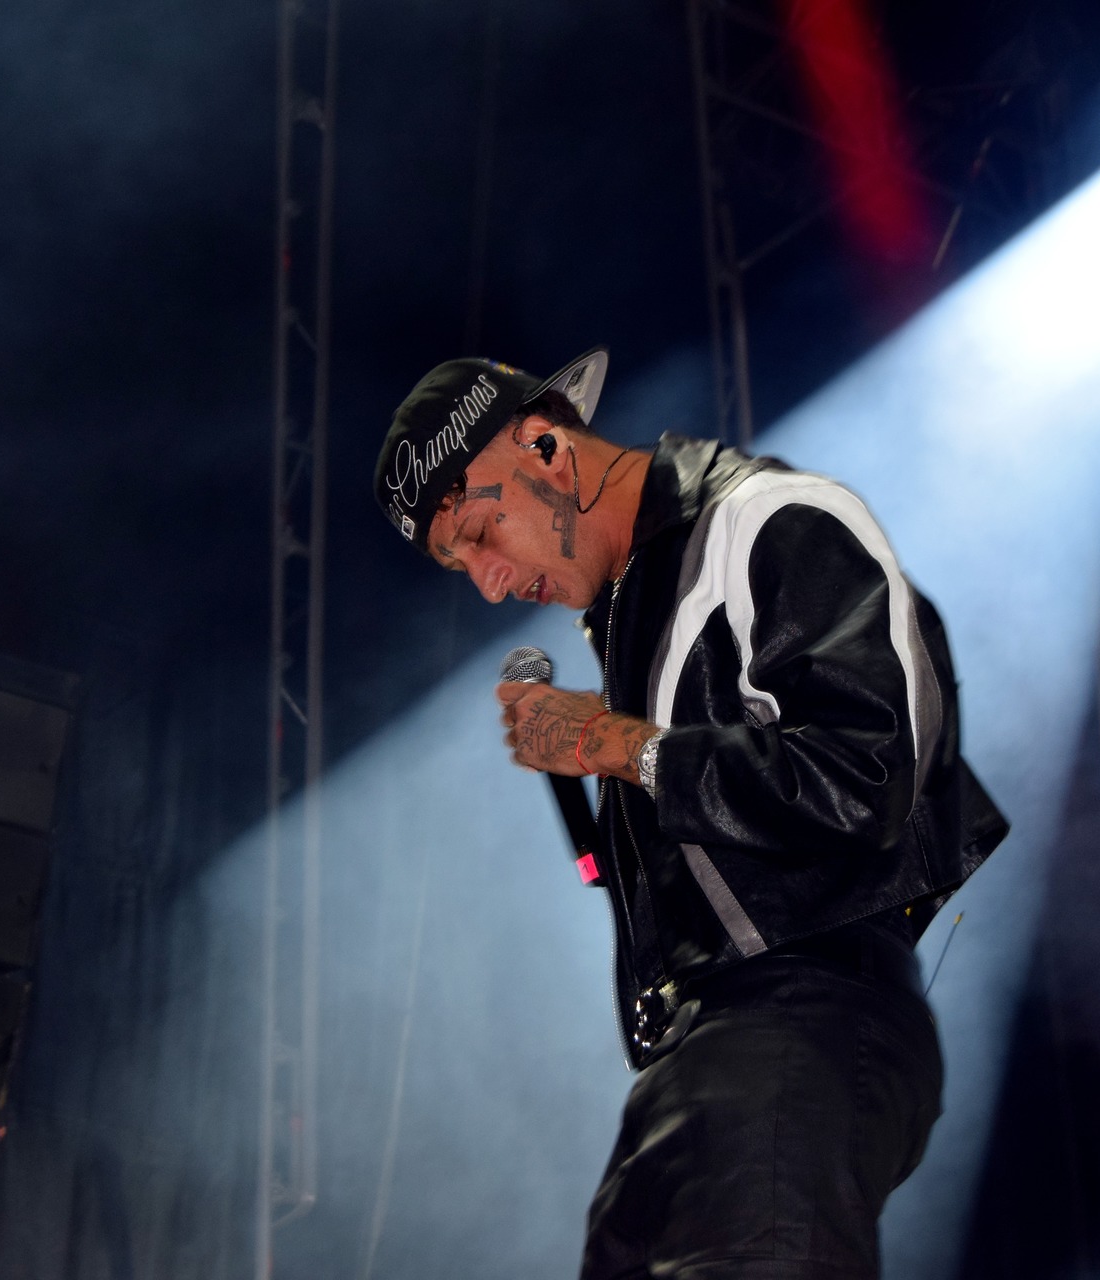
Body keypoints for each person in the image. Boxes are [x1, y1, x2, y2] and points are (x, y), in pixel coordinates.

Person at [374, 347, 1010, 1280]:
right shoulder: (638, 614)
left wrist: (615, 744)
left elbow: (868, 772)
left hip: (799, 1019)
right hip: (702, 1065)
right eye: (456, 563)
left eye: (477, 532)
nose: (488, 583)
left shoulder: (764, 519)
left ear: (547, 448)